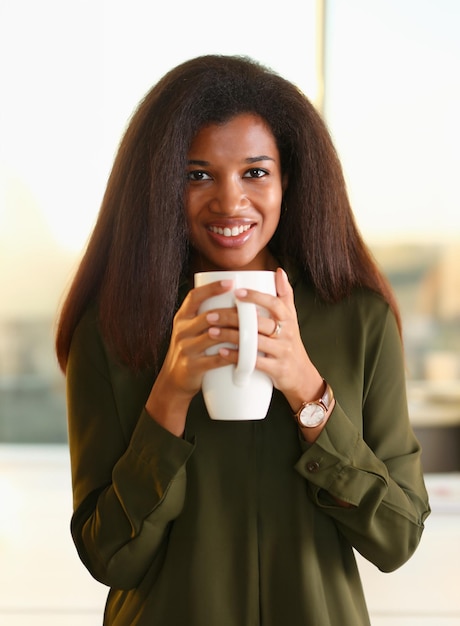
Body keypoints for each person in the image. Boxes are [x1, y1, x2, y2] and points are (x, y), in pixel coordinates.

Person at [55, 54, 430, 626]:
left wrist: (307, 389)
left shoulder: (358, 320)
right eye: (196, 174)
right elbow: (110, 555)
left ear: (289, 180)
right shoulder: (111, 330)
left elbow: (396, 537)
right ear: (161, 184)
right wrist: (170, 395)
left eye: (255, 172)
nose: (230, 202)